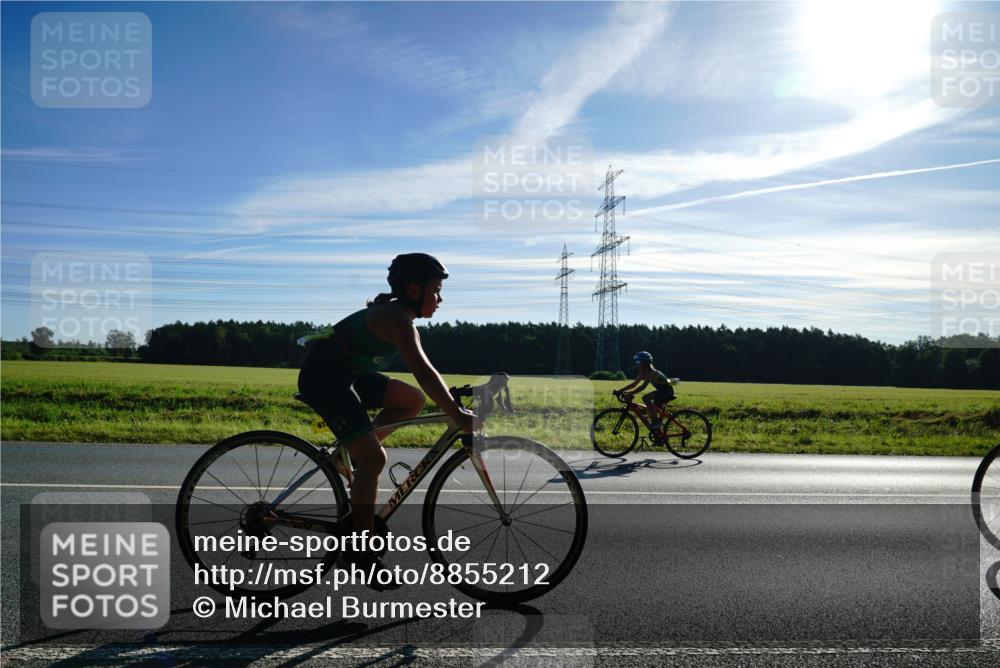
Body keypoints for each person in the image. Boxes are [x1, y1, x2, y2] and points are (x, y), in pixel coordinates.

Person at [296, 253, 478, 587]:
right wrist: (456, 414)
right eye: (436, 291)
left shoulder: (399, 316)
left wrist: (453, 407)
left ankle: (346, 457)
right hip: (325, 378)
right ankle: (359, 552)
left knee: (412, 401)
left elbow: (423, 380)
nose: (440, 299)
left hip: (346, 374)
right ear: (414, 290)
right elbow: (423, 370)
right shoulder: (397, 319)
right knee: (374, 461)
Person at [614, 351, 675, 431]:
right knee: (653, 411)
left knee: (646, 398)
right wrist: (620, 391)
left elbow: (643, 387)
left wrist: (631, 393)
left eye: (638, 362)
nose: (636, 364)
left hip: (667, 391)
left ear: (646, 363)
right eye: (636, 362)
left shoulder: (652, 372)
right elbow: (634, 384)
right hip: (661, 391)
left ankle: (656, 422)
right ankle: (658, 433)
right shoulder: (643, 373)